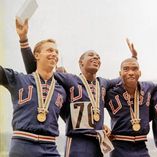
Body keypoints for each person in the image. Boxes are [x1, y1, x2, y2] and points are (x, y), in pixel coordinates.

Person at [16, 18, 136, 157]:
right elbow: (36, 71)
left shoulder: (103, 83)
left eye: (98, 57)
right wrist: (24, 41)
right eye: (91, 55)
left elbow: (125, 77)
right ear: (81, 63)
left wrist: (133, 58)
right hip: (77, 141)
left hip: (98, 142)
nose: (96, 58)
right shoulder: (69, 79)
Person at [1, 21, 67, 157]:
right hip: (22, 144)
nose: (54, 54)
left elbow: (73, 116)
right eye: (49, 50)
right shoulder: (19, 79)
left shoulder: (61, 89)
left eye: (56, 52)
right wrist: (23, 38)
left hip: (50, 147)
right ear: (36, 55)